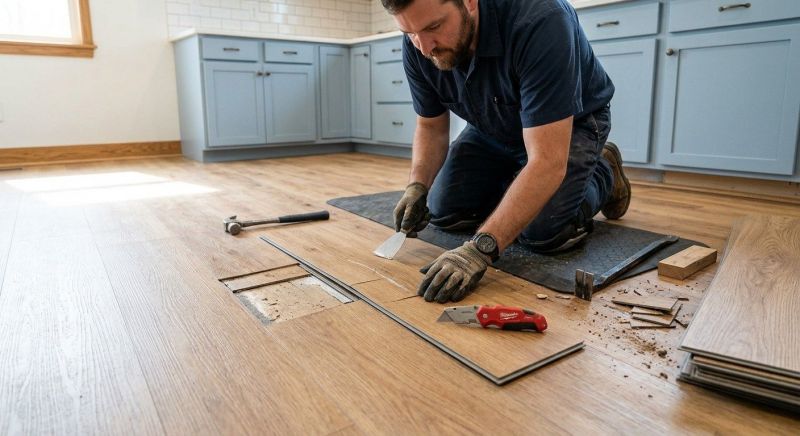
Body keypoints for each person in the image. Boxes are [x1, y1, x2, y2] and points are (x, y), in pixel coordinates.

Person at [382, 0, 632, 303]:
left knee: (543, 231)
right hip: (493, 125)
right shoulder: (419, 40)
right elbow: (431, 127)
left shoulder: (541, 18)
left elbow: (547, 162)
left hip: (570, 125)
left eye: (434, 27)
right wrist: (417, 186)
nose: (424, 47)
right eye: (410, 33)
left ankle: (603, 169)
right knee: (444, 211)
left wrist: (481, 248)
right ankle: (521, 183)